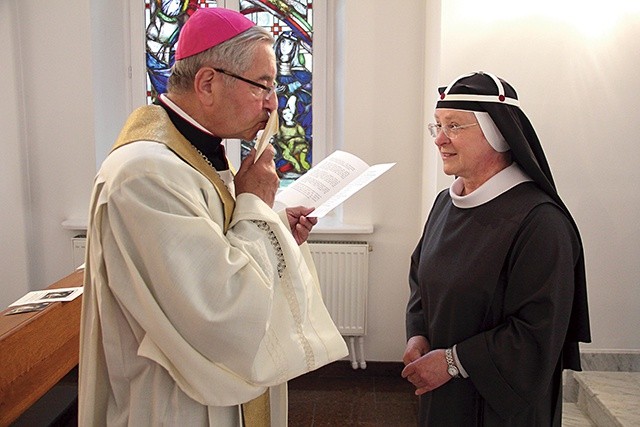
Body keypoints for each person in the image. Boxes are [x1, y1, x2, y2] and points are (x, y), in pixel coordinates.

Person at [78, 7, 347, 426]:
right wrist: (256, 206)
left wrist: (274, 228)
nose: (274, 104)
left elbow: (217, 247)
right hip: (175, 402)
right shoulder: (145, 173)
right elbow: (221, 310)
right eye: (263, 86)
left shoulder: (196, 156)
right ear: (207, 83)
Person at [402, 71, 591, 425]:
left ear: (498, 134)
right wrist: (419, 332)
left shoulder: (540, 223)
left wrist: (453, 362)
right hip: (442, 394)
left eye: (455, 126)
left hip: (503, 408)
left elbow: (539, 330)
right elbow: (420, 276)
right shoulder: (446, 203)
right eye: (437, 125)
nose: (440, 139)